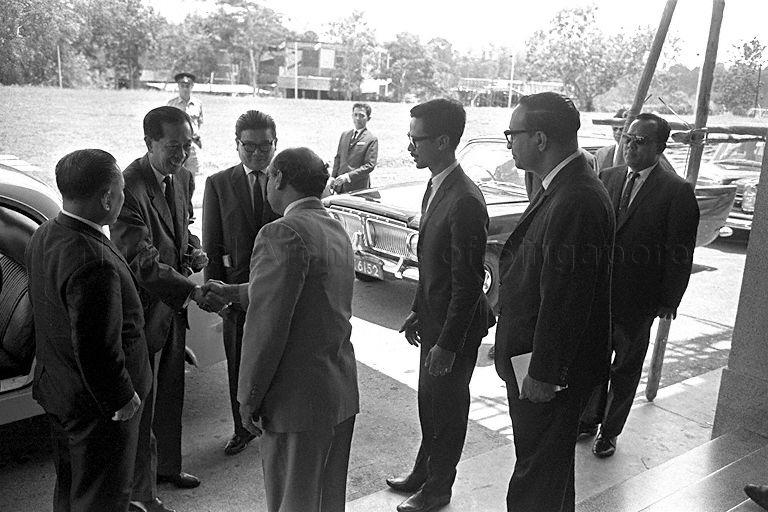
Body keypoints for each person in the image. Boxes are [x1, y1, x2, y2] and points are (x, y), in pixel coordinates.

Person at [204, 147, 359, 512]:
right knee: (327, 500)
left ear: (279, 179)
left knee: (293, 501)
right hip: (337, 392)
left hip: (297, 401)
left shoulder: (281, 232)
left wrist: (248, 397)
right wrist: (236, 292)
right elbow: (304, 294)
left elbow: (266, 330)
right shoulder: (333, 226)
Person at [494, 92, 614, 512]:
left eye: (514, 133)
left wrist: (545, 372)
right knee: (548, 469)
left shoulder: (577, 197)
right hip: (536, 359)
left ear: (541, 139)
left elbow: (567, 297)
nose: (510, 143)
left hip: (549, 372)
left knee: (535, 481)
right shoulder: (561, 186)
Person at [25, 149, 152, 511]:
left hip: (59, 391)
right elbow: (96, 346)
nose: (123, 197)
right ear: (107, 197)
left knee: (70, 488)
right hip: (98, 409)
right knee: (102, 496)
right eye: (122, 190)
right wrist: (122, 398)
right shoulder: (94, 260)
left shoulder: (46, 233)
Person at [111, 106, 224, 512]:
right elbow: (140, 260)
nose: (181, 153)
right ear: (149, 143)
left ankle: (168, 468)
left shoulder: (184, 177)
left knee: (172, 390)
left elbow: (181, 228)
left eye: (187, 144)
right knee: (143, 400)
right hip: (142, 311)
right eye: (173, 146)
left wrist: (192, 250)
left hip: (172, 306)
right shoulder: (128, 186)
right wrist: (192, 292)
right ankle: (143, 493)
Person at [387, 98, 494, 512]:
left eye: (417, 139)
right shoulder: (436, 184)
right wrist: (418, 308)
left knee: (447, 410)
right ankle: (423, 472)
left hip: (457, 327)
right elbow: (431, 262)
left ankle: (438, 490)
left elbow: (468, 285)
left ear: (444, 141)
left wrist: (447, 345)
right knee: (429, 404)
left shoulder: (465, 199)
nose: (410, 147)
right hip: (435, 319)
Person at [580, 113, 699, 459]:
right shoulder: (607, 177)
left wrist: (668, 300)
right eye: (628, 139)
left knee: (625, 368)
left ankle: (610, 431)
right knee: (593, 361)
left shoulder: (676, 191)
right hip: (601, 295)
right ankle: (588, 419)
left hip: (640, 300)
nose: (630, 146)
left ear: (660, 147)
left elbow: (680, 252)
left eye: (641, 141)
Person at [202, 110, 280, 456]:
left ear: (275, 144)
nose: (257, 154)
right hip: (234, 291)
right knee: (238, 362)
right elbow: (211, 244)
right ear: (237, 145)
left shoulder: (285, 180)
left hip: (278, 290)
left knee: (277, 360)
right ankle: (241, 428)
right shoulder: (219, 183)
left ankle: (274, 423)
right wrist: (215, 293)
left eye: (265, 146)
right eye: (249, 146)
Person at [330, 102, 378, 193]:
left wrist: (348, 176)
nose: (357, 118)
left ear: (368, 118)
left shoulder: (371, 139)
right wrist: (333, 177)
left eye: (361, 115)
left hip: (358, 187)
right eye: (355, 115)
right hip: (340, 186)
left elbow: (370, 165)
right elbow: (338, 158)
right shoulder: (345, 135)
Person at [167, 72, 203, 176]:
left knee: (192, 175)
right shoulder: (171, 104)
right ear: (178, 86)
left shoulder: (198, 104)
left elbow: (199, 123)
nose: (185, 89)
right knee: (176, 175)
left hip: (193, 144)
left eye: (188, 86)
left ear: (192, 86)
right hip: (177, 145)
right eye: (182, 86)